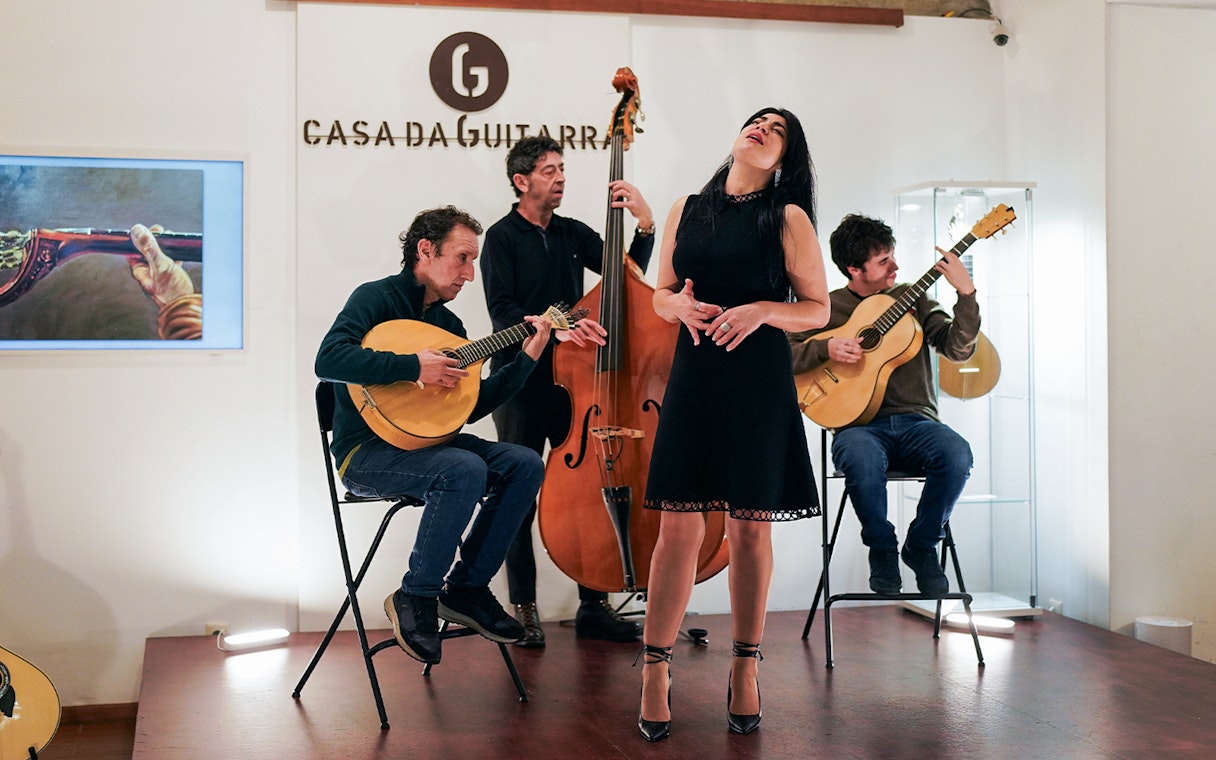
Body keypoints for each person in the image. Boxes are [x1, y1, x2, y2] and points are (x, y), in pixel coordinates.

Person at [637, 107, 830, 742]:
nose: (762, 128)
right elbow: (660, 294)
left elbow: (817, 310)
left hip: (757, 385)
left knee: (749, 529)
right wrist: (677, 305)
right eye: (757, 120)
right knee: (677, 529)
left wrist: (762, 311)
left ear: (784, 158)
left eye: (778, 129)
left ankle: (745, 667)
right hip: (695, 379)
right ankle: (655, 669)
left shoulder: (787, 217)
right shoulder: (686, 208)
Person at [315, 205, 557, 665]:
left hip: (428, 447)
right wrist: (413, 366)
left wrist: (525, 360)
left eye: (473, 262)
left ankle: (466, 589)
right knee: (461, 468)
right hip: (365, 454)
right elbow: (328, 360)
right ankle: (416, 596)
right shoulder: (375, 299)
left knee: (524, 464)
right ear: (425, 250)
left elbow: (466, 409)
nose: (470, 274)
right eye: (462, 258)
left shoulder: (450, 328)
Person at [480, 135, 656, 646]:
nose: (560, 178)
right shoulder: (501, 238)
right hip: (519, 381)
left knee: (588, 488)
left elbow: (626, 279)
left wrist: (644, 224)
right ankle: (523, 609)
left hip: (573, 384)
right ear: (521, 181)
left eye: (562, 169)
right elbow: (502, 314)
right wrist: (556, 327)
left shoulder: (572, 232)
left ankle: (593, 605)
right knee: (519, 495)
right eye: (548, 170)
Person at [787, 213, 978, 599]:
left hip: (917, 422)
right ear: (854, 269)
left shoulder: (913, 299)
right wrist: (824, 347)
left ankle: (922, 545)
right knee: (860, 457)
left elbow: (958, 350)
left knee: (957, 454)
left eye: (893, 256)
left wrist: (966, 294)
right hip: (856, 427)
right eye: (884, 260)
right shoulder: (826, 307)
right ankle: (882, 547)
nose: (896, 267)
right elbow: (781, 356)